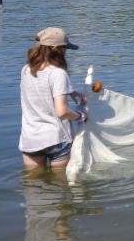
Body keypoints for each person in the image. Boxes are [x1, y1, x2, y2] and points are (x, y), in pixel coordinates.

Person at [19, 27, 87, 170]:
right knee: (60, 185)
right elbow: (62, 112)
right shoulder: (58, 74)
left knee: (33, 184)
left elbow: (41, 89)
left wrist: (71, 91)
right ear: (56, 49)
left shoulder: (26, 69)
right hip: (56, 139)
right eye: (64, 49)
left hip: (31, 138)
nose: (65, 52)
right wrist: (80, 116)